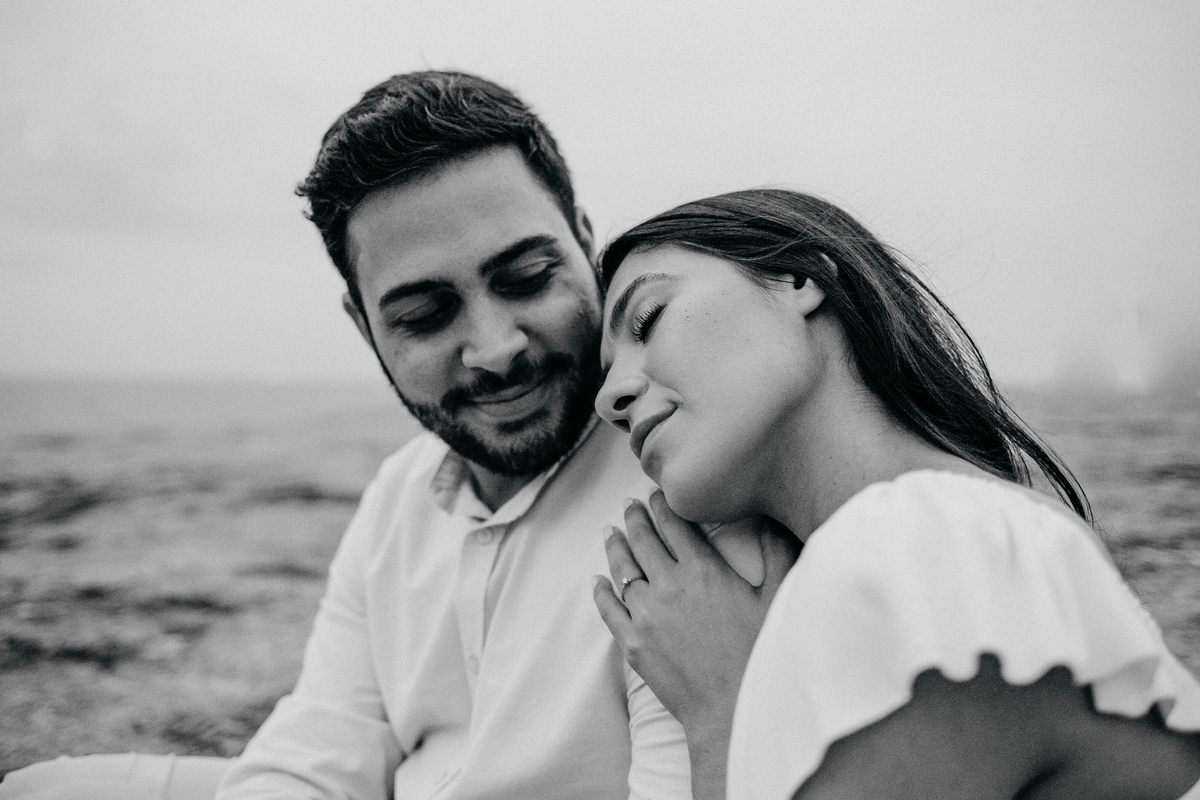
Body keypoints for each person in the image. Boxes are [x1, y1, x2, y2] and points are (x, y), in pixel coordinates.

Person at [0, 71, 791, 800]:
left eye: (525, 279)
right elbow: (319, 749)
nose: (495, 349)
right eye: (423, 316)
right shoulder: (401, 497)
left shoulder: (682, 486)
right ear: (364, 325)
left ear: (587, 243)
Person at [590, 188, 1200, 800]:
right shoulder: (935, 540)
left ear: (798, 278)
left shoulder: (918, 540)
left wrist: (721, 713)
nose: (609, 397)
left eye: (647, 320)